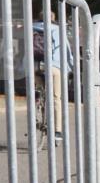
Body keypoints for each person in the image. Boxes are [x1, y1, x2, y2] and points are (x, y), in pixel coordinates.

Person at [32, 11, 74, 142]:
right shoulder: (58, 30)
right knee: (56, 97)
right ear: (54, 19)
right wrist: (71, 68)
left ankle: (37, 102)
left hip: (34, 65)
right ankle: (57, 131)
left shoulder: (31, 28)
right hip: (53, 66)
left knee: (36, 89)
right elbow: (67, 53)